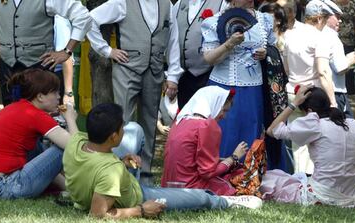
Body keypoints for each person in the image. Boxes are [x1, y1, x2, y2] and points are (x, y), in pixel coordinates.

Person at [63, 103, 262, 219]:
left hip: (119, 180)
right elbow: (97, 216)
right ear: (114, 137)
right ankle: (227, 202)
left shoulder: (78, 141)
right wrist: (141, 210)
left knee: (136, 130)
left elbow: (96, 165)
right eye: (121, 127)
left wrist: (122, 161)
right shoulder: (109, 171)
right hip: (138, 196)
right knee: (199, 197)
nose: (123, 129)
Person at [86, 0, 184, 185]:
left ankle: (145, 175)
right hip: (127, 69)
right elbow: (89, 20)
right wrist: (107, 50)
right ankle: (120, 172)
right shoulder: (122, 2)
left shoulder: (166, 5)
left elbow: (173, 40)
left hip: (154, 70)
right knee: (123, 122)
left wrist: (173, 75)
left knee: (149, 123)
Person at [0, 68, 78, 199]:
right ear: (40, 96)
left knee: (36, 147)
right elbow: (75, 146)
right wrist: (70, 119)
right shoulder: (35, 115)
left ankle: (71, 189)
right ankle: (80, 187)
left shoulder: (13, 108)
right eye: (55, 92)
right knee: (61, 149)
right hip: (4, 187)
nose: (59, 96)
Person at [261, 86, 355, 208]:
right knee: (298, 177)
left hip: (322, 194)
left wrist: (294, 103)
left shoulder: (314, 124)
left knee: (270, 178)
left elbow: (272, 130)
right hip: (347, 192)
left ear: (309, 111)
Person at [0, 0, 91, 106]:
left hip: (39, 67)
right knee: (11, 113)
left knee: (38, 114)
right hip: (8, 66)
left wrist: (67, 51)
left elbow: (83, 17)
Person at [201, 0, 275, 159]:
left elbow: (276, 51)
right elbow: (209, 58)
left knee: (250, 136)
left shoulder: (265, 20)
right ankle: (219, 177)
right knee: (224, 134)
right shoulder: (213, 22)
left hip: (253, 90)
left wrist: (266, 53)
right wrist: (229, 43)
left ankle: (247, 180)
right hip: (222, 89)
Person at [282, 0, 338, 174]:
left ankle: (299, 178)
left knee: (298, 140)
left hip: (292, 90)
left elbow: (286, 67)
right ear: (319, 18)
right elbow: (323, 72)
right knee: (317, 137)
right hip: (313, 93)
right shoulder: (318, 37)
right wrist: (333, 102)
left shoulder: (289, 35)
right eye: (327, 18)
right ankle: (312, 179)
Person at [161, 86, 248, 195]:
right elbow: (207, 173)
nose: (224, 116)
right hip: (190, 189)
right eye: (224, 110)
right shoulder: (206, 126)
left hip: (167, 187)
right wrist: (233, 158)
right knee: (232, 182)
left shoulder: (180, 121)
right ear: (214, 104)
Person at [173, 0, 228, 109]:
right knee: (186, 116)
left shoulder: (222, 3)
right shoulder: (179, 4)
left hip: (209, 75)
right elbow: (172, 37)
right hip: (184, 76)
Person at [323, 6, 355, 117]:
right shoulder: (331, 36)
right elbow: (340, 67)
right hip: (335, 92)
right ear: (327, 16)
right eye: (337, 17)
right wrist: (350, 60)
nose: (340, 20)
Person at [334, 0, 355, 95]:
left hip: (351, 40)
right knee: (339, 65)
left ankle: (350, 90)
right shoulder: (333, 3)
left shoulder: (353, 3)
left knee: (351, 65)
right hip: (337, 40)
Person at [53, 15, 75, 106]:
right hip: (49, 75)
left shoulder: (58, 20)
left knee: (59, 114)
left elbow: (66, 57)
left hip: (57, 77)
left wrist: (68, 92)